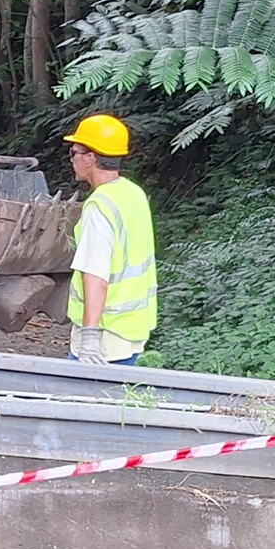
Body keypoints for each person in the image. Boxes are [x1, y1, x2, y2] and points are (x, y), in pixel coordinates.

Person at [64, 113, 157, 366]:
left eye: (74, 152)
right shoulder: (132, 193)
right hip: (130, 330)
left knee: (80, 402)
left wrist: (90, 336)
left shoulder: (99, 206)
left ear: (90, 158)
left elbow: (96, 275)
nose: (71, 159)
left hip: (105, 335)